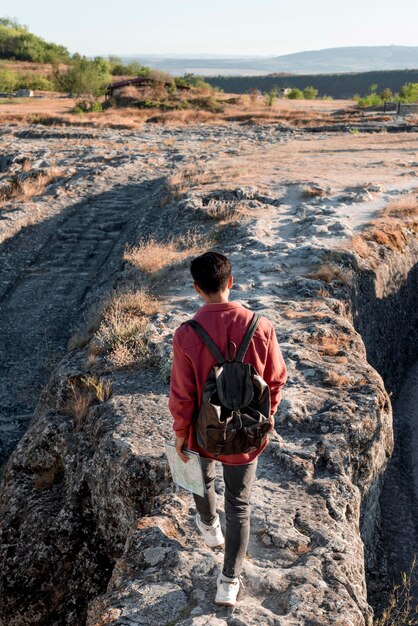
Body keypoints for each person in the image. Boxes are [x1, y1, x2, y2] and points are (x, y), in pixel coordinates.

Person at [168, 251, 288, 606]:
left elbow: (183, 392)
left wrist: (179, 432)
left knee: (197, 476)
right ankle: (229, 583)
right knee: (239, 505)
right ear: (231, 282)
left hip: (203, 430)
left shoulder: (186, 334)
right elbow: (276, 380)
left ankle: (207, 524)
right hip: (247, 432)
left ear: (196, 289)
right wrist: (267, 417)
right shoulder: (261, 326)